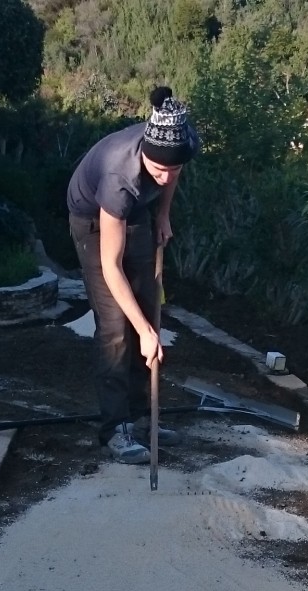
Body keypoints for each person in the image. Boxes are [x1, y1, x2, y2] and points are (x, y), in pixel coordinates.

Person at [66, 86, 200, 464]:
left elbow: (172, 172)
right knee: (116, 327)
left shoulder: (179, 139)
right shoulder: (118, 174)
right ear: (144, 155)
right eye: (158, 168)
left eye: (171, 168)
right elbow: (111, 266)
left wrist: (162, 215)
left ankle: (144, 418)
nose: (165, 176)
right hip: (94, 218)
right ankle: (115, 427)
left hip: (138, 211)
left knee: (148, 307)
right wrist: (142, 331)